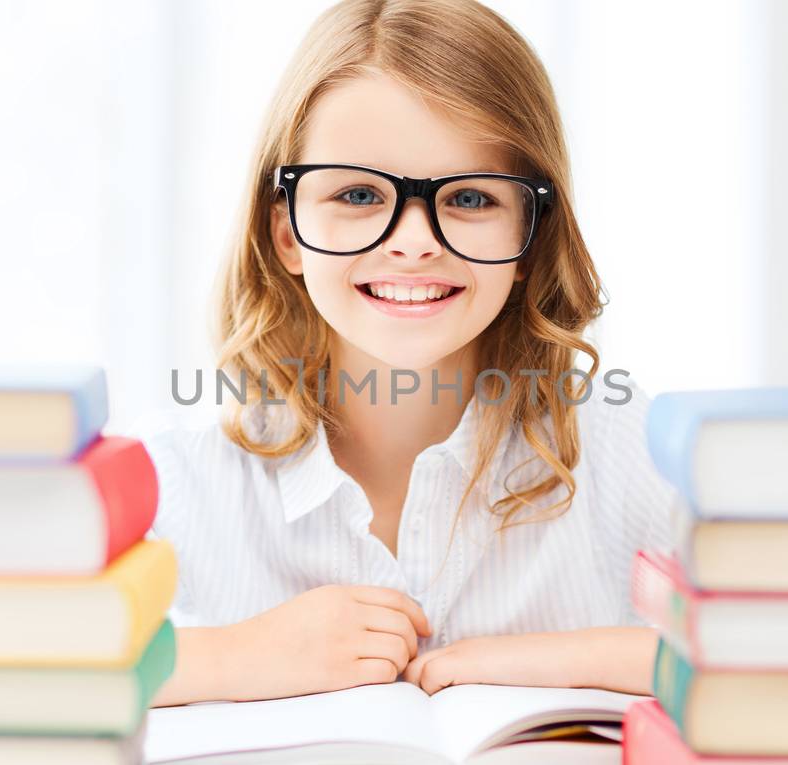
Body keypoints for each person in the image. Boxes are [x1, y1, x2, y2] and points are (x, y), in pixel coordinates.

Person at [147, 0, 678, 706]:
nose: (413, 241)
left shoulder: (621, 451)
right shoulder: (187, 475)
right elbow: (10, 666)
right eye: (360, 193)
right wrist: (230, 657)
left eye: (469, 199)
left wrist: (561, 657)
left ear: (531, 236)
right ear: (287, 234)